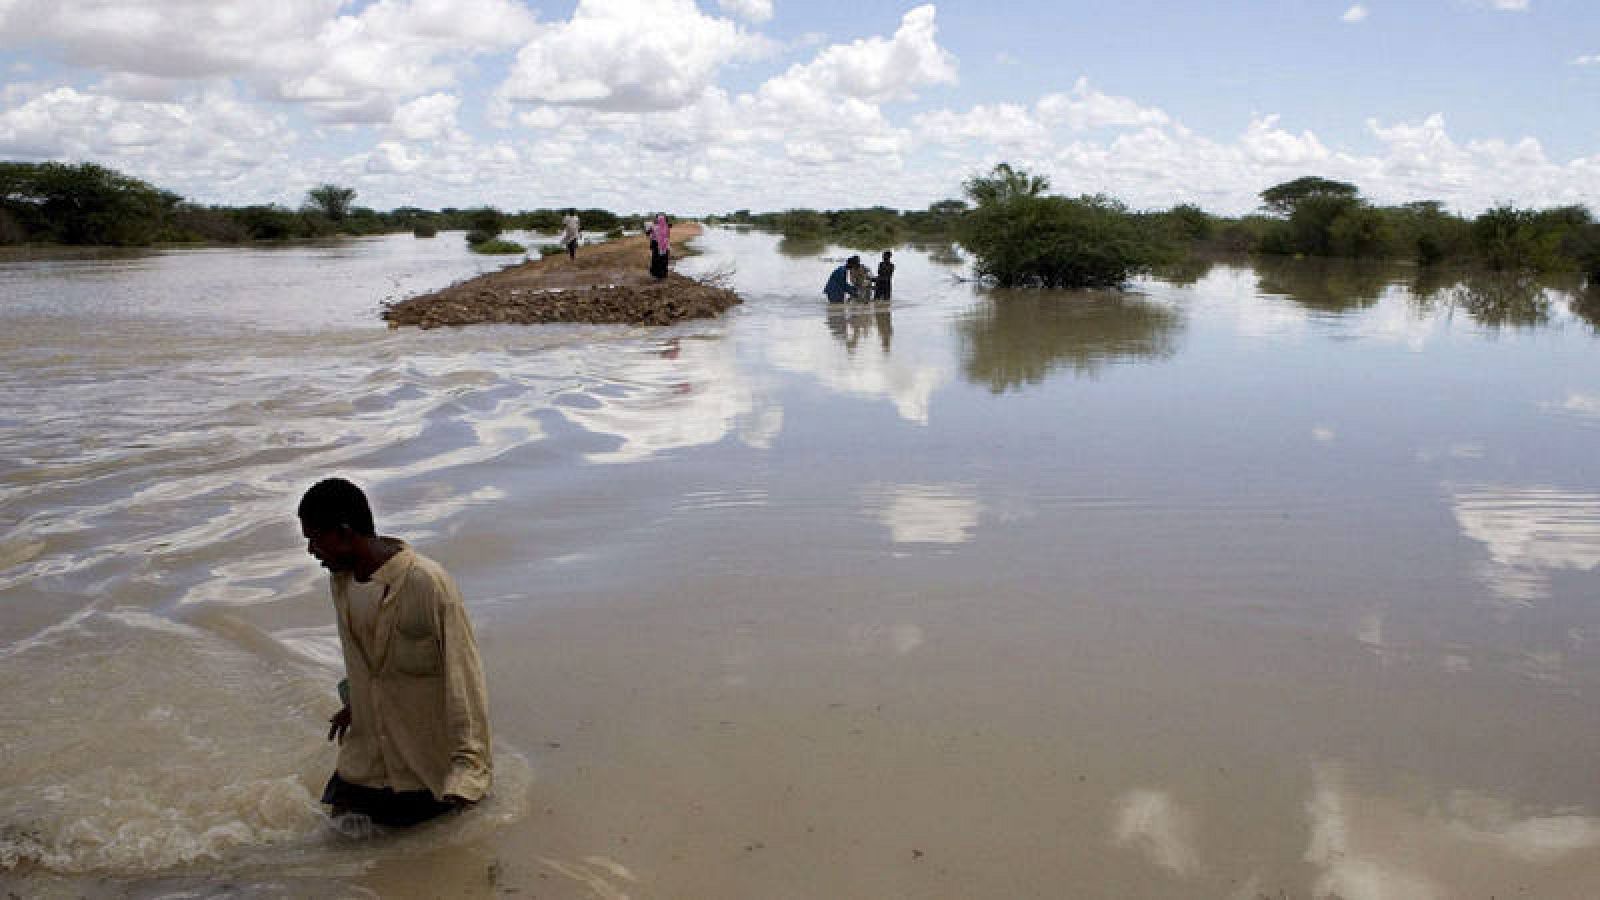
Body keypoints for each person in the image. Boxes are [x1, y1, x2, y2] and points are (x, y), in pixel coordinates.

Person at [299, 477, 492, 827]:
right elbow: (365, 661)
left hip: (420, 774)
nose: (312, 550)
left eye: (315, 538)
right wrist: (356, 704)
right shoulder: (341, 582)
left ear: (344, 533)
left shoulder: (427, 584)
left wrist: (468, 774)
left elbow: (464, 677)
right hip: (363, 767)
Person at [649, 213, 671, 279]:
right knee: (661, 260)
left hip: (660, 245)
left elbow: (667, 236)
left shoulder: (655, 227)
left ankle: (659, 274)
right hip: (661, 245)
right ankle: (661, 274)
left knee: (659, 260)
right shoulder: (665, 226)